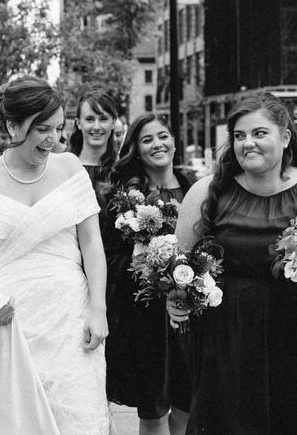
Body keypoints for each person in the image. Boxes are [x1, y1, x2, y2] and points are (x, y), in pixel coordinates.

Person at [172, 91, 297, 435]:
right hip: (228, 342)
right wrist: (176, 296)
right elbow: (179, 265)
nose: (247, 143)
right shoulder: (208, 192)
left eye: (258, 133)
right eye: (239, 136)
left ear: (285, 137)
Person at [0, 75, 111, 434]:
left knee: (78, 418)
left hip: (72, 316)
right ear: (13, 126)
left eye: (58, 128)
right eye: (42, 129)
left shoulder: (69, 167)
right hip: (12, 318)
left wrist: (97, 309)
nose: (53, 139)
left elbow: (92, 245)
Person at [103, 113, 193, 435]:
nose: (158, 144)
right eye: (147, 139)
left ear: (173, 140)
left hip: (190, 314)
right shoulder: (125, 198)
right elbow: (108, 256)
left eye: (163, 135)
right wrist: (142, 263)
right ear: (136, 150)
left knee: (187, 405)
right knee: (153, 410)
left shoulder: (194, 189)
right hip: (145, 317)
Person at [69, 89, 119, 185]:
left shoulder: (122, 170)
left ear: (113, 123)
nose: (96, 127)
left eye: (103, 119)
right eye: (89, 119)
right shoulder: (64, 168)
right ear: (79, 123)